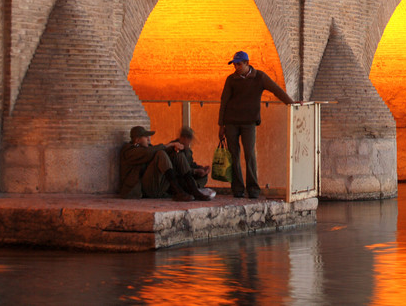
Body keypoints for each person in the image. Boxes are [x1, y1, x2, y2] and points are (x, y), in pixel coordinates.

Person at [218, 51, 297, 199]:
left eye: (239, 64)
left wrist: (291, 103)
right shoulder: (231, 79)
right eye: (234, 64)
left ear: (247, 63)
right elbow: (224, 101)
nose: (236, 67)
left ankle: (253, 189)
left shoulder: (259, 77)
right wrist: (221, 125)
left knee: (250, 154)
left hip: (249, 122)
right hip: (231, 122)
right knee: (233, 155)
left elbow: (276, 90)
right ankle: (237, 189)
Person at [119, 125, 213, 202]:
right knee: (161, 154)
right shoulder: (129, 151)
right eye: (145, 137)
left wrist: (174, 149)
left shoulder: (148, 148)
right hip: (145, 189)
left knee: (177, 155)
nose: (148, 139)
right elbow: (149, 153)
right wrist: (171, 145)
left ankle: (194, 191)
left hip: (159, 185)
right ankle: (178, 192)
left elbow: (155, 151)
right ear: (137, 140)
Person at [172, 125, 211, 190]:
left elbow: (190, 164)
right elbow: (179, 169)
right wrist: (195, 171)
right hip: (178, 177)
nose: (186, 140)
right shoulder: (174, 148)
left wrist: (202, 169)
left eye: (188, 138)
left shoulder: (188, 151)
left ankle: (193, 186)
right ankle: (192, 187)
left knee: (204, 176)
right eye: (184, 137)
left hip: (189, 174)